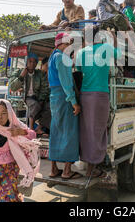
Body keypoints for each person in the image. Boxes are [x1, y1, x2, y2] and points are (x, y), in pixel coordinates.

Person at [75, 27, 121, 178]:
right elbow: (119, 55)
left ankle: (87, 163)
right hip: (100, 94)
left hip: (85, 95)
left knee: (87, 129)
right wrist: (113, 36)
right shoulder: (106, 48)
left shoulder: (81, 52)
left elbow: (80, 70)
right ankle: (91, 168)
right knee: (98, 130)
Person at [48, 33, 82, 179]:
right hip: (63, 97)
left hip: (55, 97)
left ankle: (54, 169)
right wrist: (74, 102)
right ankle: (67, 171)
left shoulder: (53, 57)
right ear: (62, 44)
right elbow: (66, 83)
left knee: (56, 131)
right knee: (69, 132)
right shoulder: (62, 57)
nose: (70, 47)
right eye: (68, 44)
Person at [9, 52, 50, 132]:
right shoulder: (18, 72)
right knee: (34, 104)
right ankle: (30, 128)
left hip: (37, 97)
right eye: (30, 61)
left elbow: (44, 88)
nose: (32, 64)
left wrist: (41, 99)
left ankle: (39, 127)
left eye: (34, 62)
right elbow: (13, 87)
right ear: (26, 62)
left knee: (49, 107)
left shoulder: (39, 74)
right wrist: (21, 76)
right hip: (26, 97)